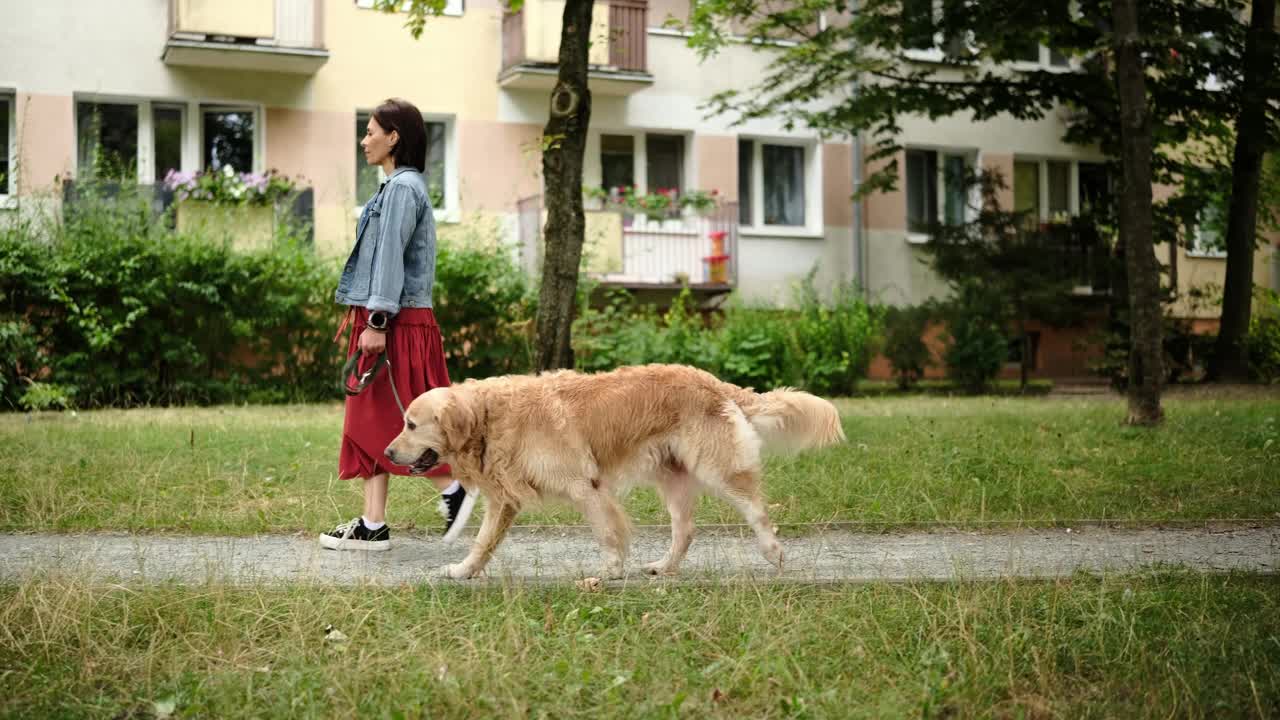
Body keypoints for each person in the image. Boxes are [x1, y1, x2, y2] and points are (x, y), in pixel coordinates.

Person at [319, 97, 474, 551]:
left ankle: (452, 487)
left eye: (370, 132)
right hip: (391, 319)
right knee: (372, 415)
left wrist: (378, 319)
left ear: (394, 137)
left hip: (396, 322)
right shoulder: (394, 188)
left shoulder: (404, 189)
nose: (363, 140)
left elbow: (389, 259)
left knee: (395, 414)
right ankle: (372, 523)